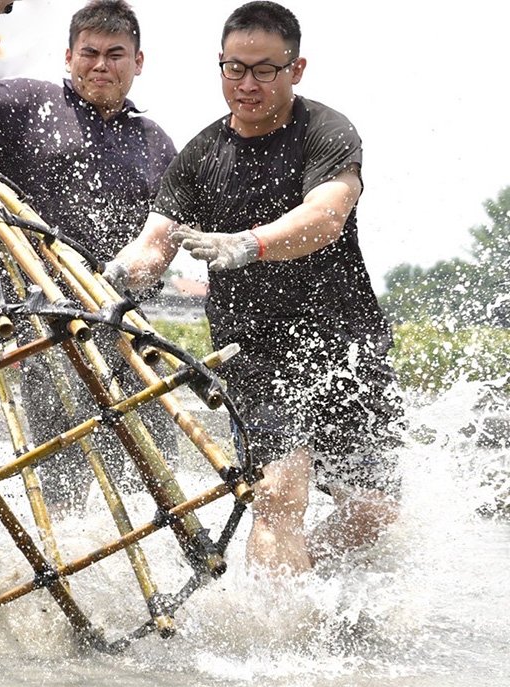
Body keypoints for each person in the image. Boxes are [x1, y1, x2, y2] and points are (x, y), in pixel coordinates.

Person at [106, 1, 403, 574]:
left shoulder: (325, 131)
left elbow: (327, 215)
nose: (246, 83)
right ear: (219, 66)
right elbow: (153, 247)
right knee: (281, 492)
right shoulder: (200, 156)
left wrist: (248, 243)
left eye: (264, 69)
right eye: (234, 68)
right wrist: (116, 276)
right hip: (252, 350)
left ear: (296, 69)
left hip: (345, 340)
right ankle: (276, 639)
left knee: (376, 509)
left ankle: (311, 583)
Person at [0, 0, 177, 512]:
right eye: (89, 53)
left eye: (116, 55)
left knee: (155, 482)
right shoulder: (33, 102)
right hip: (47, 327)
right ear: (68, 56)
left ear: (138, 62)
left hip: (129, 328)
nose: (101, 65)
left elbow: (169, 235)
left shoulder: (155, 141)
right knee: (63, 487)